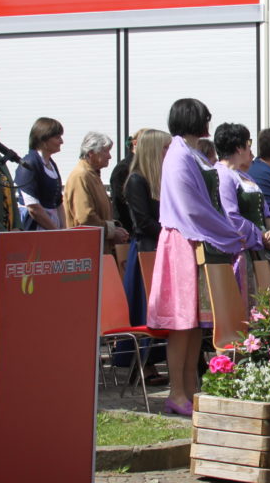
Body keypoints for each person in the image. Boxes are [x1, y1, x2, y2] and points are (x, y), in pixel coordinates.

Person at [147, 98, 246, 416]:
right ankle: (177, 392)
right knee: (181, 323)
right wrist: (229, 233)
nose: (209, 120)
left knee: (194, 324)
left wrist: (223, 232)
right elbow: (192, 208)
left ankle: (189, 388)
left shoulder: (189, 153)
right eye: (205, 116)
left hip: (197, 241)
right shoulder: (178, 155)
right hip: (183, 242)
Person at [120, 128, 170, 385]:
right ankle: (143, 362)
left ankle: (156, 358)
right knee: (144, 307)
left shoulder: (159, 180)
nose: (168, 153)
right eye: (164, 148)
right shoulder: (137, 181)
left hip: (160, 247)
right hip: (146, 250)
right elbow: (142, 221)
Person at [212, 123, 270, 302]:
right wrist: (262, 235)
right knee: (248, 304)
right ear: (239, 147)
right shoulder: (223, 174)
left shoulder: (245, 176)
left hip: (261, 249)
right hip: (242, 252)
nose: (251, 148)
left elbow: (265, 209)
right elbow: (231, 217)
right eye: (248, 143)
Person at [62, 132, 130, 254]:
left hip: (96, 248)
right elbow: (85, 218)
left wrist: (115, 227)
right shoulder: (81, 176)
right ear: (91, 153)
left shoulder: (91, 175)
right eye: (105, 151)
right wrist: (112, 231)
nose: (109, 156)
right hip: (85, 251)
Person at [15, 117, 65, 231]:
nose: (61, 141)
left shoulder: (51, 164)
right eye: (57, 137)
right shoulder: (28, 164)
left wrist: (63, 228)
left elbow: (58, 202)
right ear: (43, 139)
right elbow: (33, 208)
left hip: (51, 227)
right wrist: (55, 230)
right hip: (34, 228)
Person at [109, 131, 146, 238]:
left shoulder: (141, 167)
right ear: (135, 143)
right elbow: (123, 202)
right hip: (128, 231)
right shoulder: (123, 169)